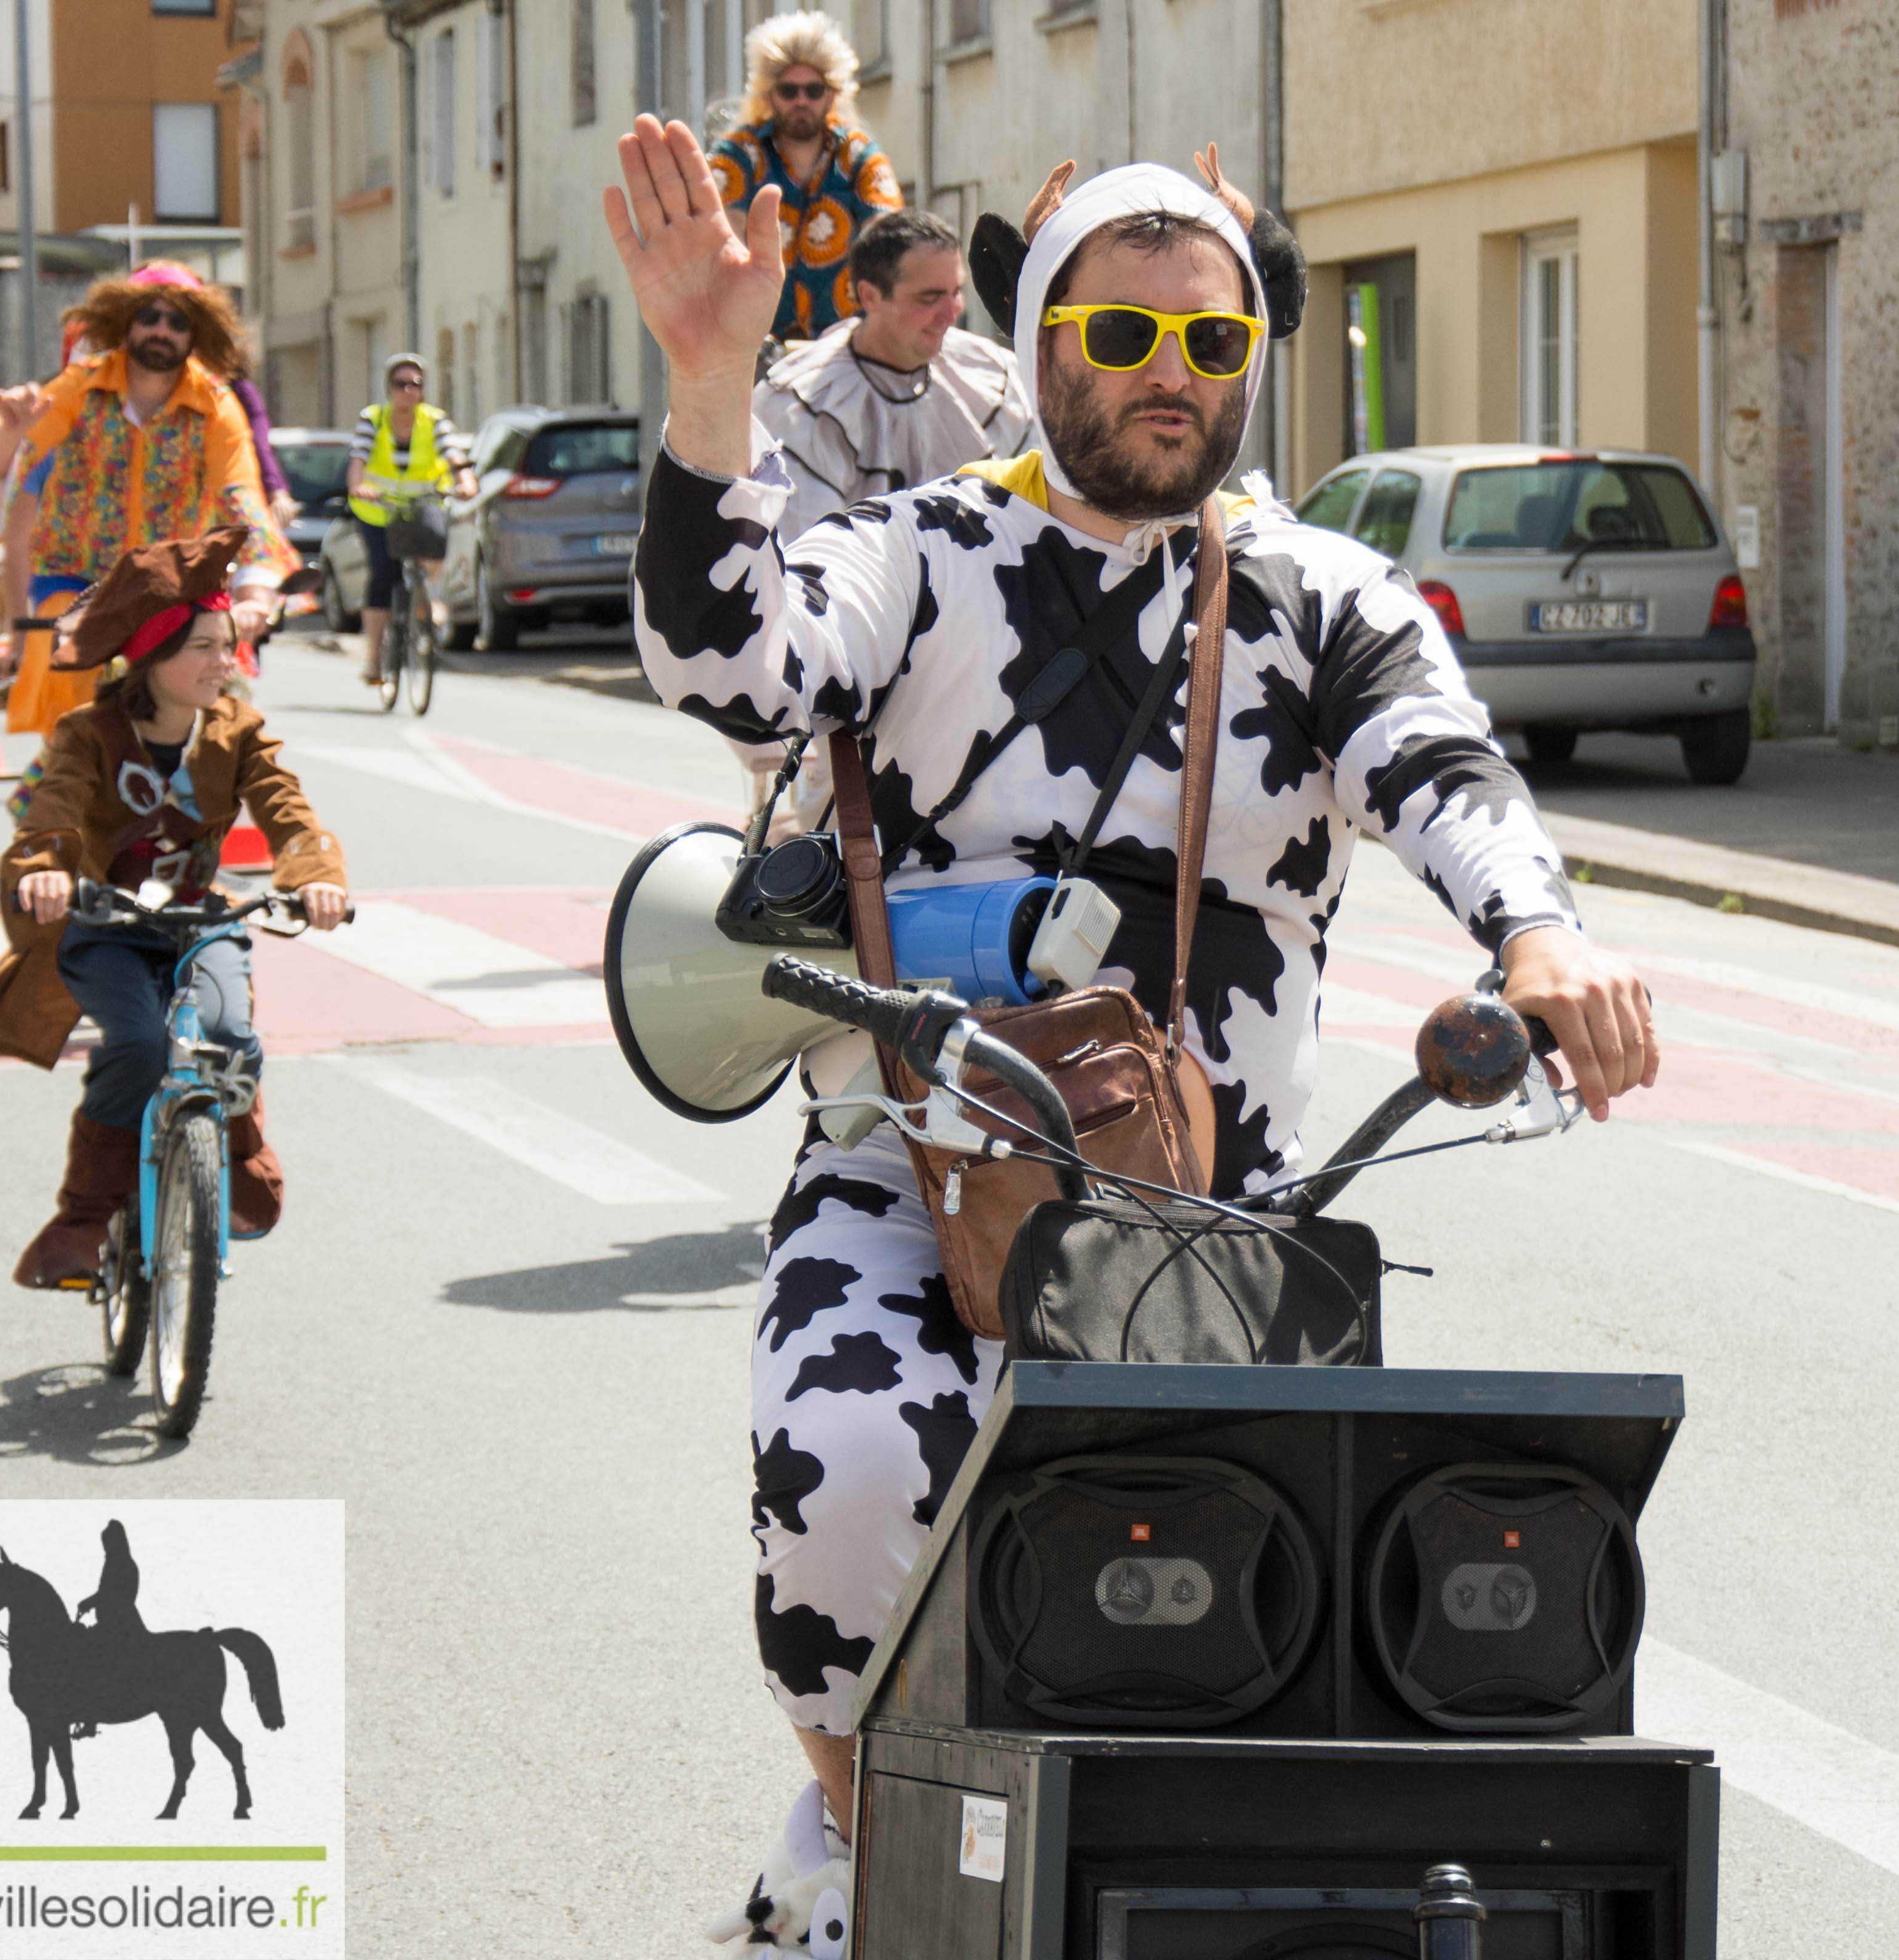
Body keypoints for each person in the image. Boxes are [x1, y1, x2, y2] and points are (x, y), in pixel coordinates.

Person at [607, 119, 1660, 1953]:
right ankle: (877, 1851)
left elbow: (1443, 761)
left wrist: (1540, 933)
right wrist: (714, 390)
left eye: (1213, 341)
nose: (1170, 375)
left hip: (1218, 1216)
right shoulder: (917, 552)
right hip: (906, 1170)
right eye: (1121, 336)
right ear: (1036, 346)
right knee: (845, 1486)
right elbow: (730, 661)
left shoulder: (1320, 596)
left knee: (1279, 1637)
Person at [0, 527, 346, 1291]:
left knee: (231, 1036)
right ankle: (83, 1219)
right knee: (138, 1046)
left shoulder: (239, 731)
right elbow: (55, 813)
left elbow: (291, 815)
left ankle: (233, 1172)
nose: (223, 662)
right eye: (204, 646)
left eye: (228, 644)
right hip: (106, 927)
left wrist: (315, 876)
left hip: (202, 919)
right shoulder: (89, 733)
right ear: (153, 655)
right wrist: (47, 871)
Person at [739, 206, 1032, 823]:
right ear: (867, 294)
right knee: (844, 840)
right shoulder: (802, 403)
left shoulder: (991, 378)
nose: (952, 313)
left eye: (956, 293)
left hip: (989, 637)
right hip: (864, 647)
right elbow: (803, 553)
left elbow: (1030, 507)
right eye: (929, 297)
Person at [0, 265, 295, 737]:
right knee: (71, 690)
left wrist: (256, 595)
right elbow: (10, 462)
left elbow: (242, 499)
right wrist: (9, 436)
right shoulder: (79, 387)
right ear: (125, 323)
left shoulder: (217, 407)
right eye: (149, 316)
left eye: (178, 322)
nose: (161, 330)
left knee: (208, 714)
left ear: (197, 336)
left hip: (173, 588)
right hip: (73, 582)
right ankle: (67, 783)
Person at [706, 12, 903, 342]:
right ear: (769, 95)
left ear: (832, 95)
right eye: (789, 90)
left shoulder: (860, 156)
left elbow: (887, 240)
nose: (801, 101)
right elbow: (724, 240)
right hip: (757, 346)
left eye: (813, 90)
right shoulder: (738, 156)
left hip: (845, 349)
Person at [343, 352, 477, 688]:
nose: (408, 391)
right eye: (400, 384)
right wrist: (358, 487)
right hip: (379, 511)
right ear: (389, 388)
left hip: (421, 506)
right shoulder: (373, 419)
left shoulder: (434, 420)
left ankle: (427, 595)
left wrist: (465, 482)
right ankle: (374, 658)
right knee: (383, 575)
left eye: (415, 385)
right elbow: (359, 457)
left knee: (434, 544)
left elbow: (453, 453)